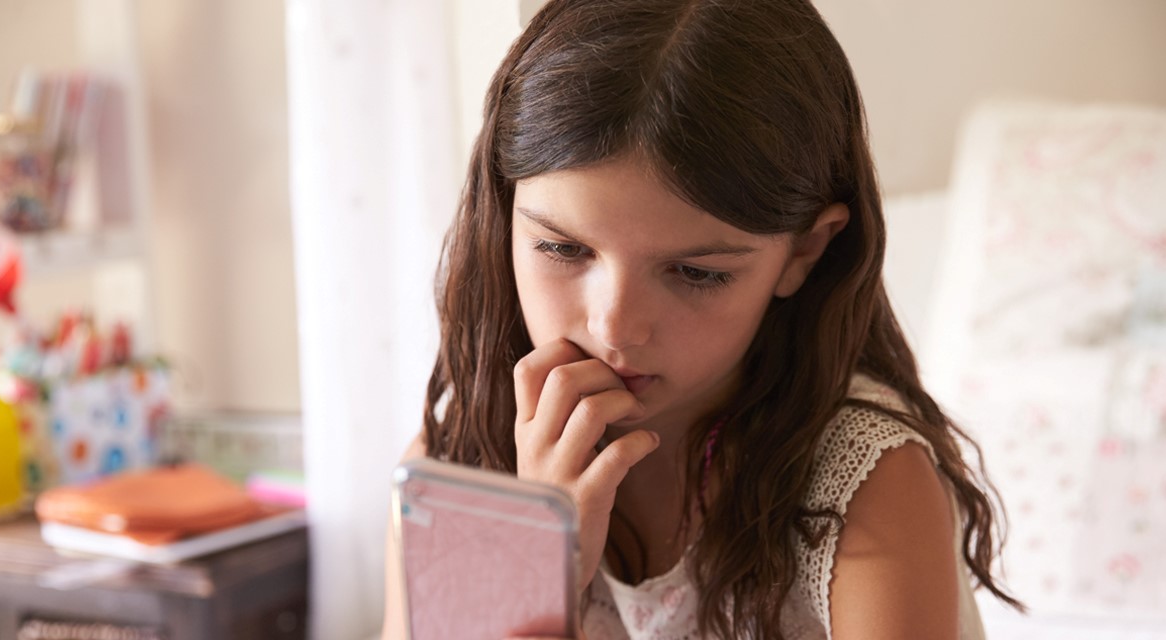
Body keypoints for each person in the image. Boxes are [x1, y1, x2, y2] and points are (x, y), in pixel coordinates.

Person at [381, 0, 1023, 637]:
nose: (616, 327)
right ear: (504, 210)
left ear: (804, 251)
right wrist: (537, 569)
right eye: (563, 248)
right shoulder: (461, 459)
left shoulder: (864, 487)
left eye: (697, 273)